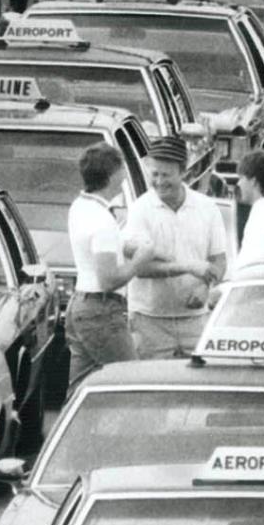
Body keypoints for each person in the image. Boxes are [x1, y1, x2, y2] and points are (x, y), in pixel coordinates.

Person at [123, 136, 229, 359]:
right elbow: (139, 269)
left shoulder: (207, 208)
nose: (159, 182)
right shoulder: (140, 210)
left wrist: (204, 286)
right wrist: (188, 267)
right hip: (149, 323)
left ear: (183, 172)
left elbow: (219, 260)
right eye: (155, 174)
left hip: (196, 322)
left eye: (166, 175)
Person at [66, 143, 154, 387]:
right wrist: (140, 260)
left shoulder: (81, 206)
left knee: (80, 386)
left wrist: (124, 244)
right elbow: (108, 279)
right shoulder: (102, 220)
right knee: (130, 383)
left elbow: (96, 246)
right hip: (101, 310)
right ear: (113, 175)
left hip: (80, 305)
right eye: (122, 169)